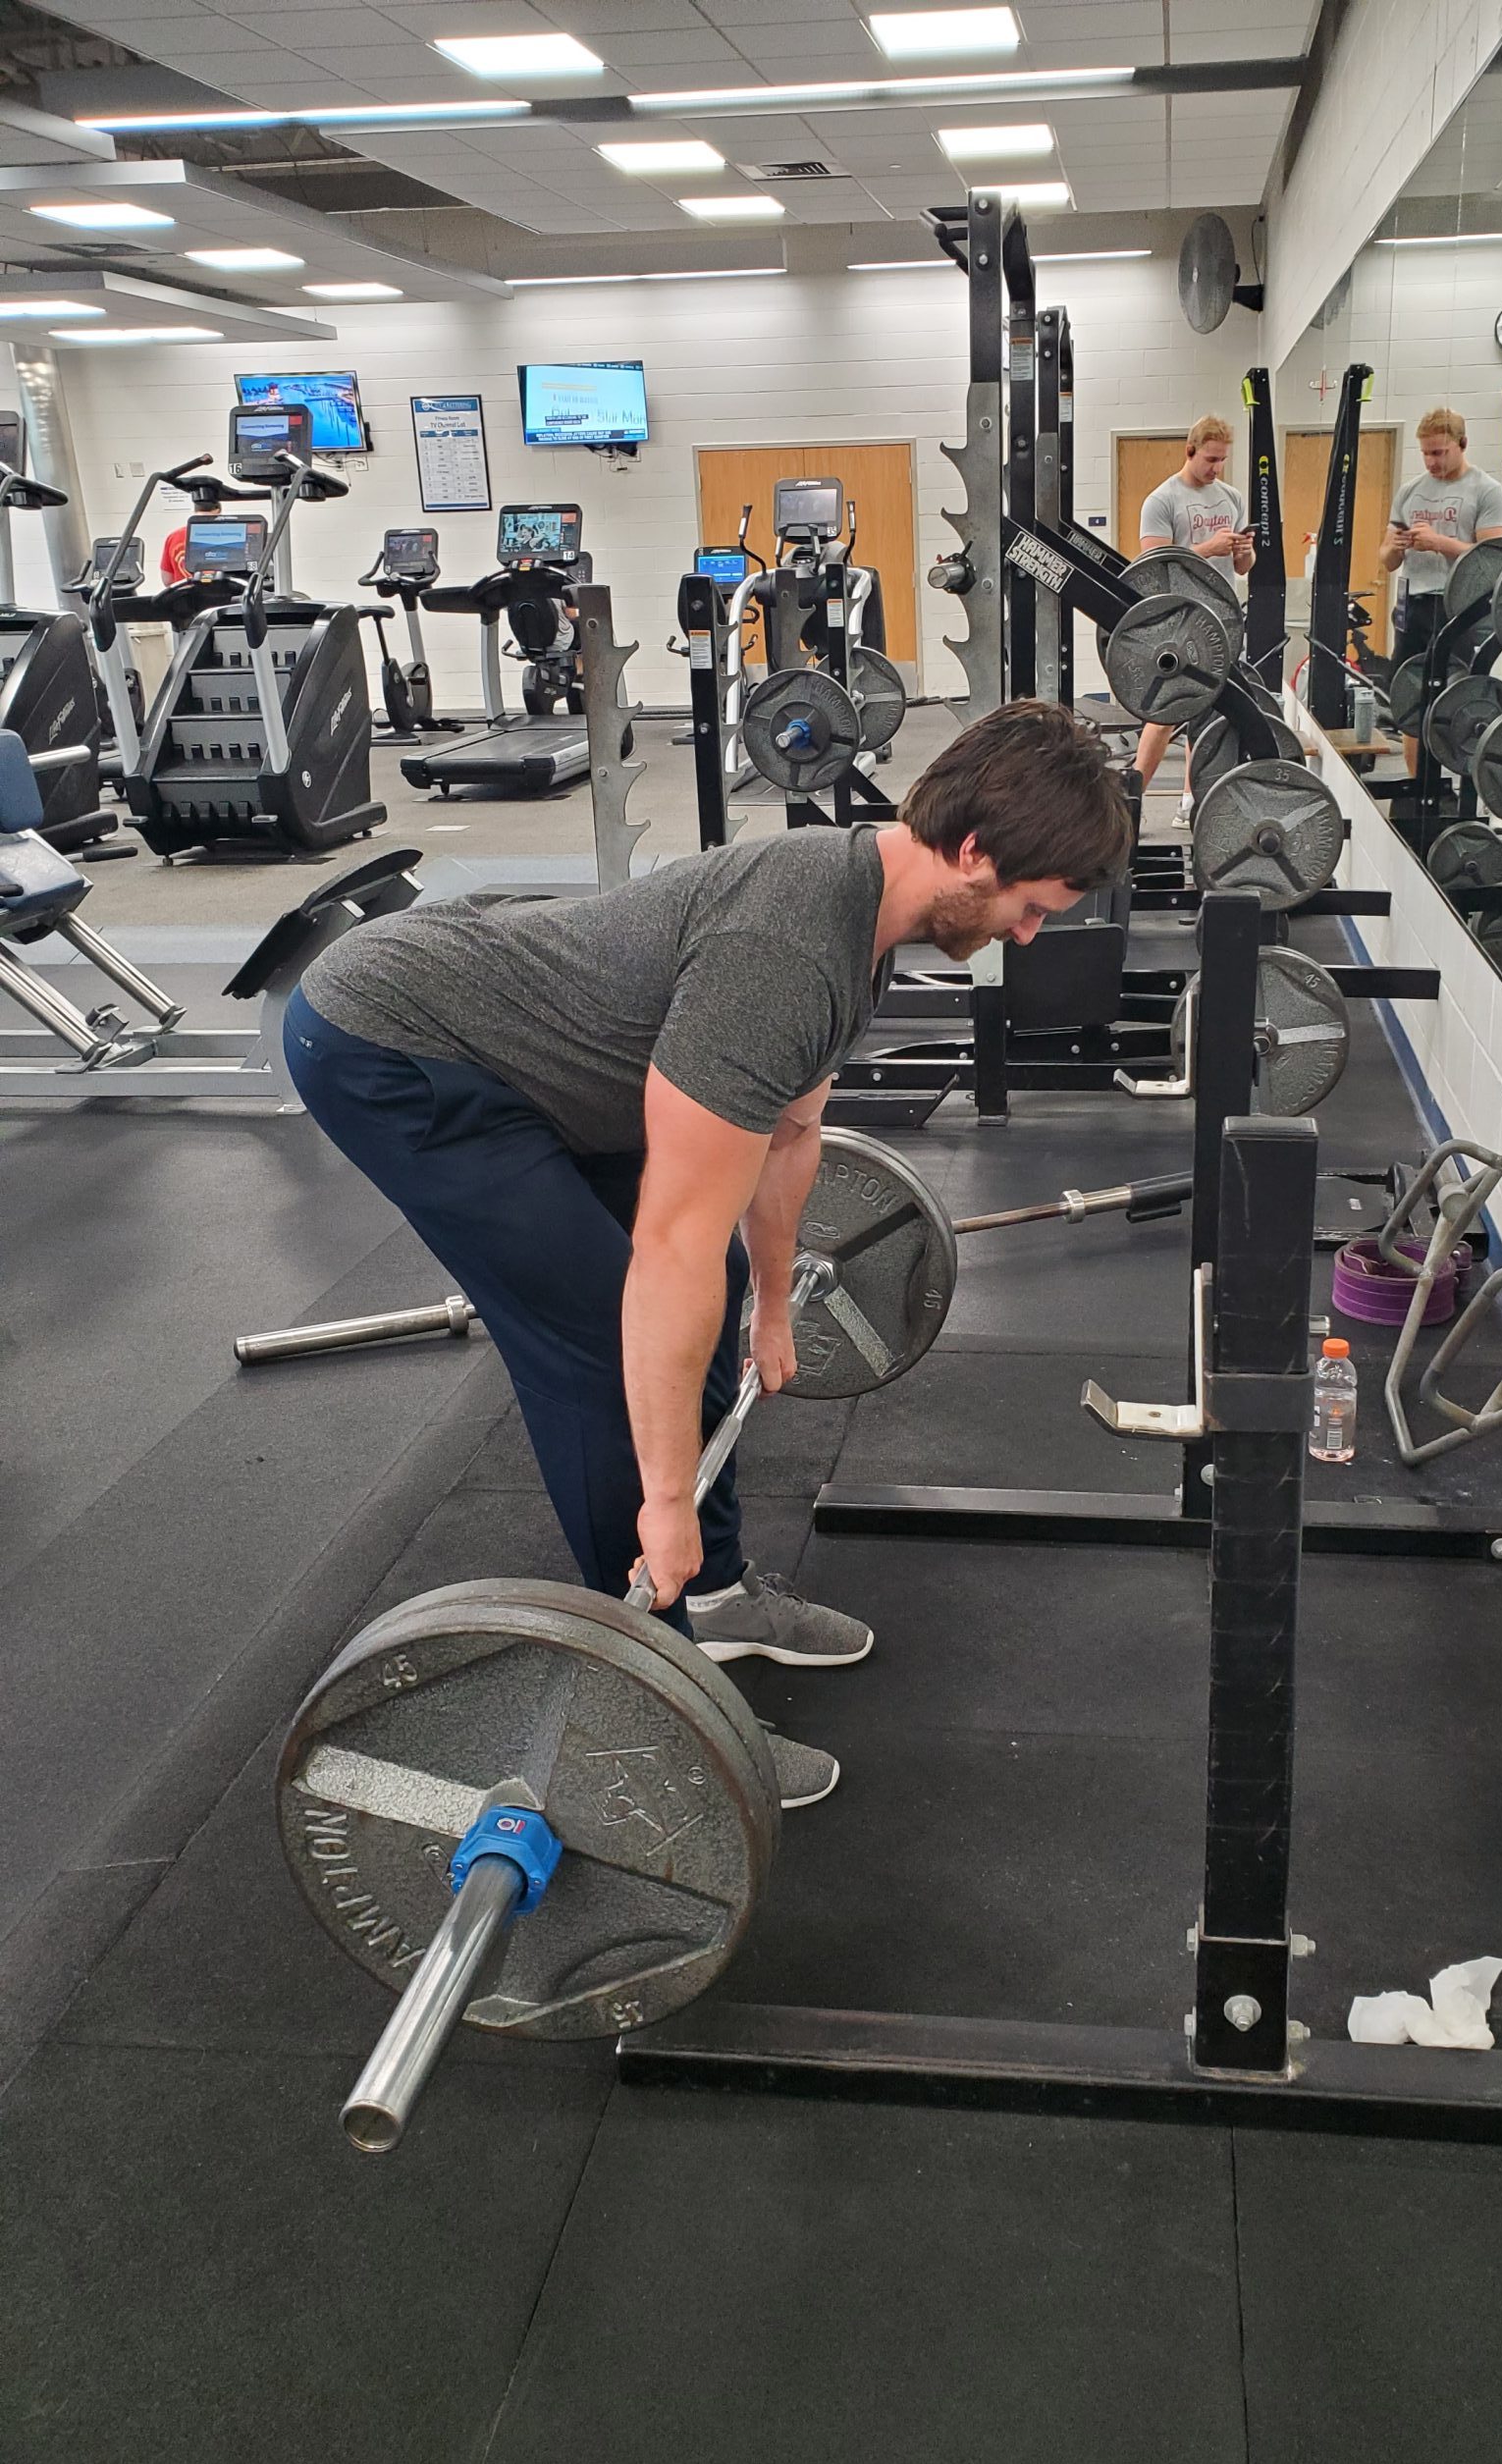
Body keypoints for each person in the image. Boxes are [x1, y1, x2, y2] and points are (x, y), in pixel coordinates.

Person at [284, 700, 1133, 1807]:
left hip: (545, 1061)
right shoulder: (783, 957)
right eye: (1029, 907)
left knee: (719, 1286)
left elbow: (789, 1136)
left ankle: (719, 1597)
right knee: (597, 1343)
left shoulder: (861, 915)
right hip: (397, 1043)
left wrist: (773, 1300)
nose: (1027, 934)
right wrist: (663, 1499)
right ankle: (659, 1688)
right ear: (972, 850)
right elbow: (670, 1245)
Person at [1133, 415, 1255, 828]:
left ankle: (1190, 798)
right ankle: (1132, 799)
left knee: (1210, 708)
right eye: (1210, 459)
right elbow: (1155, 567)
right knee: (1165, 712)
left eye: (1222, 460)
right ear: (1190, 451)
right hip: (1177, 620)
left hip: (1220, 618)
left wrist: (1242, 551)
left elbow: (1242, 565)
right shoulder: (1162, 500)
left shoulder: (1233, 498)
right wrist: (1208, 546)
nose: (1216, 468)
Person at [1380, 406, 1502, 774]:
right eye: (1425, 453)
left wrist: (1439, 542)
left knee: (1455, 699)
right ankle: (1416, 783)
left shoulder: (1485, 491)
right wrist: (1398, 546)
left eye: (1439, 452)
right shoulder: (1410, 492)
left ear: (1461, 444)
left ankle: (1454, 781)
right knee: (1410, 698)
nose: (1431, 461)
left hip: (1460, 608)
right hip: (1414, 604)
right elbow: (1386, 559)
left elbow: (1493, 557)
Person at [160, 495, 219, 586]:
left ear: (195, 510)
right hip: (220, 596)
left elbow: (167, 580)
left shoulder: (173, 537)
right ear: (218, 510)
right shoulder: (224, 535)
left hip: (185, 596)